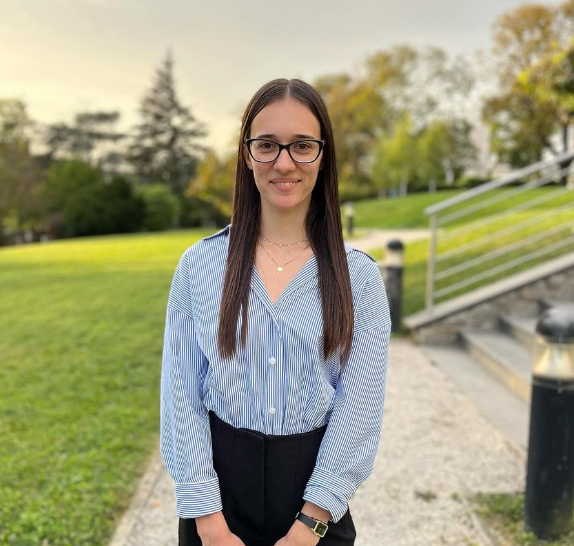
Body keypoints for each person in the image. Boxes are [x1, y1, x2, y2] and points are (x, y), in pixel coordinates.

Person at [160, 78, 391, 546]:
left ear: (323, 155)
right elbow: (180, 396)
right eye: (267, 145)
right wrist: (209, 521)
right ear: (247, 154)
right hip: (218, 498)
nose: (284, 163)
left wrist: (311, 524)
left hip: (313, 495)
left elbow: (359, 408)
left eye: (302, 145)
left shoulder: (359, 277)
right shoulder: (199, 265)